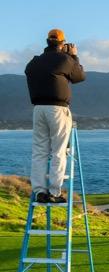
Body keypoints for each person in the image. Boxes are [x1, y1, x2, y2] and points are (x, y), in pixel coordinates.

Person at [25, 28, 85, 203]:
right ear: (62, 43)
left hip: (38, 109)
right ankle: (54, 192)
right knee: (59, 151)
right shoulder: (65, 59)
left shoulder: (34, 62)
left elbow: (29, 71)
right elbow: (79, 76)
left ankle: (39, 191)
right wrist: (73, 56)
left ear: (47, 41)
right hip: (57, 109)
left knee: (39, 151)